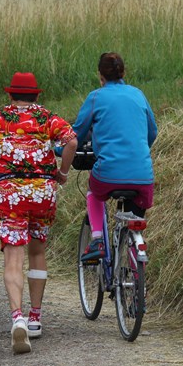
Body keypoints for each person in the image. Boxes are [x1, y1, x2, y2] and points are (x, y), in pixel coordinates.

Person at [0, 72, 76, 354]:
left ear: (10, 95)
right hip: (43, 191)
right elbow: (72, 142)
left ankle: (18, 318)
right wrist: (61, 172)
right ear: (36, 95)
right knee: (37, 251)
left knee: (13, 256)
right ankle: (36, 318)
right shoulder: (47, 117)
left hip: (10, 192)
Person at [73, 52, 157, 261]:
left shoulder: (96, 97)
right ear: (123, 72)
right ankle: (136, 276)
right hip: (143, 176)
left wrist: (59, 150)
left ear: (100, 75)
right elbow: (152, 131)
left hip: (108, 174)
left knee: (94, 190)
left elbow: (76, 134)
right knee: (134, 222)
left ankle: (97, 240)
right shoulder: (138, 94)